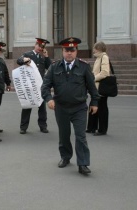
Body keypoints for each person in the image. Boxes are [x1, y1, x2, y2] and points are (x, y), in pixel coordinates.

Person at [41, 37, 100, 175]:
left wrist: (95, 102)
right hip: (61, 108)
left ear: (76, 51)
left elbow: (92, 87)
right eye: (67, 50)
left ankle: (83, 163)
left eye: (72, 50)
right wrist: (49, 99)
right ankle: (65, 157)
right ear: (62, 51)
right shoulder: (54, 67)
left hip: (79, 107)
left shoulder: (84, 66)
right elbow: (45, 87)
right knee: (64, 135)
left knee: (80, 136)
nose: (69, 53)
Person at [17, 38, 52, 134]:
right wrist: (24, 60)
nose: (40, 48)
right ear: (35, 45)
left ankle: (43, 126)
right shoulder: (28, 54)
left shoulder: (42, 57)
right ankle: (23, 127)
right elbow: (18, 61)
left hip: (40, 85)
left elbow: (50, 67)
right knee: (27, 106)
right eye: (39, 46)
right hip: (29, 85)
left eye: (42, 47)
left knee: (42, 107)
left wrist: (47, 56)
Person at [86, 41, 111, 136]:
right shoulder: (98, 58)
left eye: (95, 48)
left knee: (102, 107)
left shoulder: (104, 57)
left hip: (101, 87)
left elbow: (105, 72)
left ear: (99, 49)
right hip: (96, 87)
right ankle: (91, 127)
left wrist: (93, 79)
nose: (93, 50)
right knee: (93, 104)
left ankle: (102, 129)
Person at [0, 41, 12, 133]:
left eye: (0, 50)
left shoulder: (1, 61)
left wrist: (8, 84)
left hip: (0, 88)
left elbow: (5, 73)